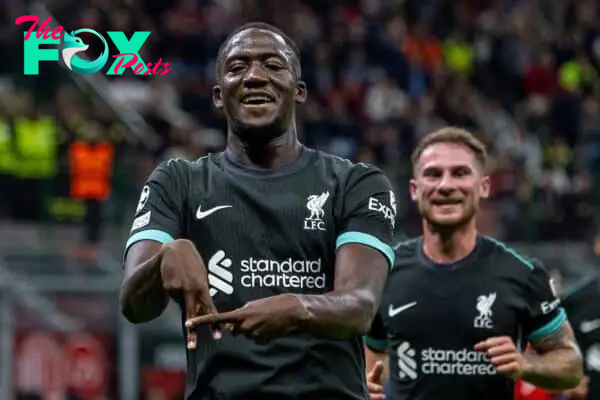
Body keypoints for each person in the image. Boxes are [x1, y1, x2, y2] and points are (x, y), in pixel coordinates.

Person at [120, 22, 396, 400]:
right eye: (237, 67)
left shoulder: (356, 183)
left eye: (273, 65)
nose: (254, 76)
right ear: (219, 96)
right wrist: (163, 262)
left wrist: (296, 307)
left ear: (299, 92)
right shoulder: (178, 182)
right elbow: (134, 305)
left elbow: (360, 305)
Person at [364, 127, 583, 400]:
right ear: (414, 189)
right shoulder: (385, 271)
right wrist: (369, 388)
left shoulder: (522, 274)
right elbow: (374, 351)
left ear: (484, 187)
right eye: (433, 174)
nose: (445, 186)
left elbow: (571, 364)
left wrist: (527, 364)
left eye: (460, 173)